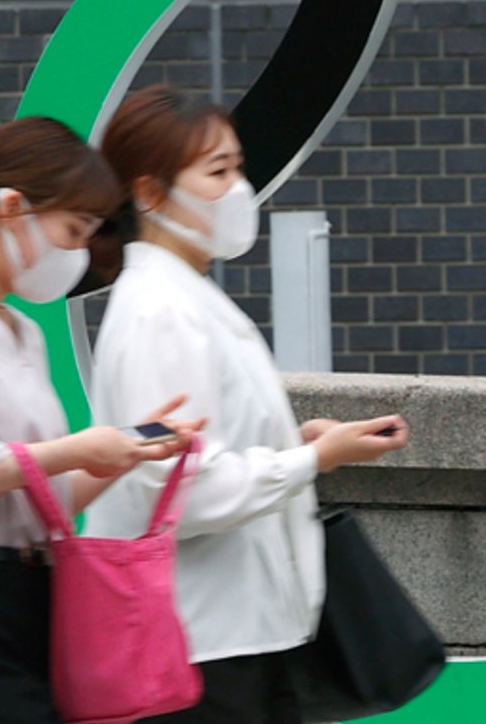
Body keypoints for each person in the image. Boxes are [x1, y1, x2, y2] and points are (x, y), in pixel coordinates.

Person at [88, 87, 411, 724]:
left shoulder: (184, 297)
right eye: (217, 172)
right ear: (149, 192)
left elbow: (197, 458)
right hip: (204, 648)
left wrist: (300, 447)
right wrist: (311, 459)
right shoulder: (161, 311)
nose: (238, 188)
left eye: (237, 167)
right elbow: (186, 491)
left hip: (238, 637)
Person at [0, 117, 205, 724]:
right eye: (73, 231)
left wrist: (122, 451)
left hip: (28, 605)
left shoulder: (22, 330)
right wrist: (78, 449)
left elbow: (40, 492)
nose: (78, 254)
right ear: (12, 208)